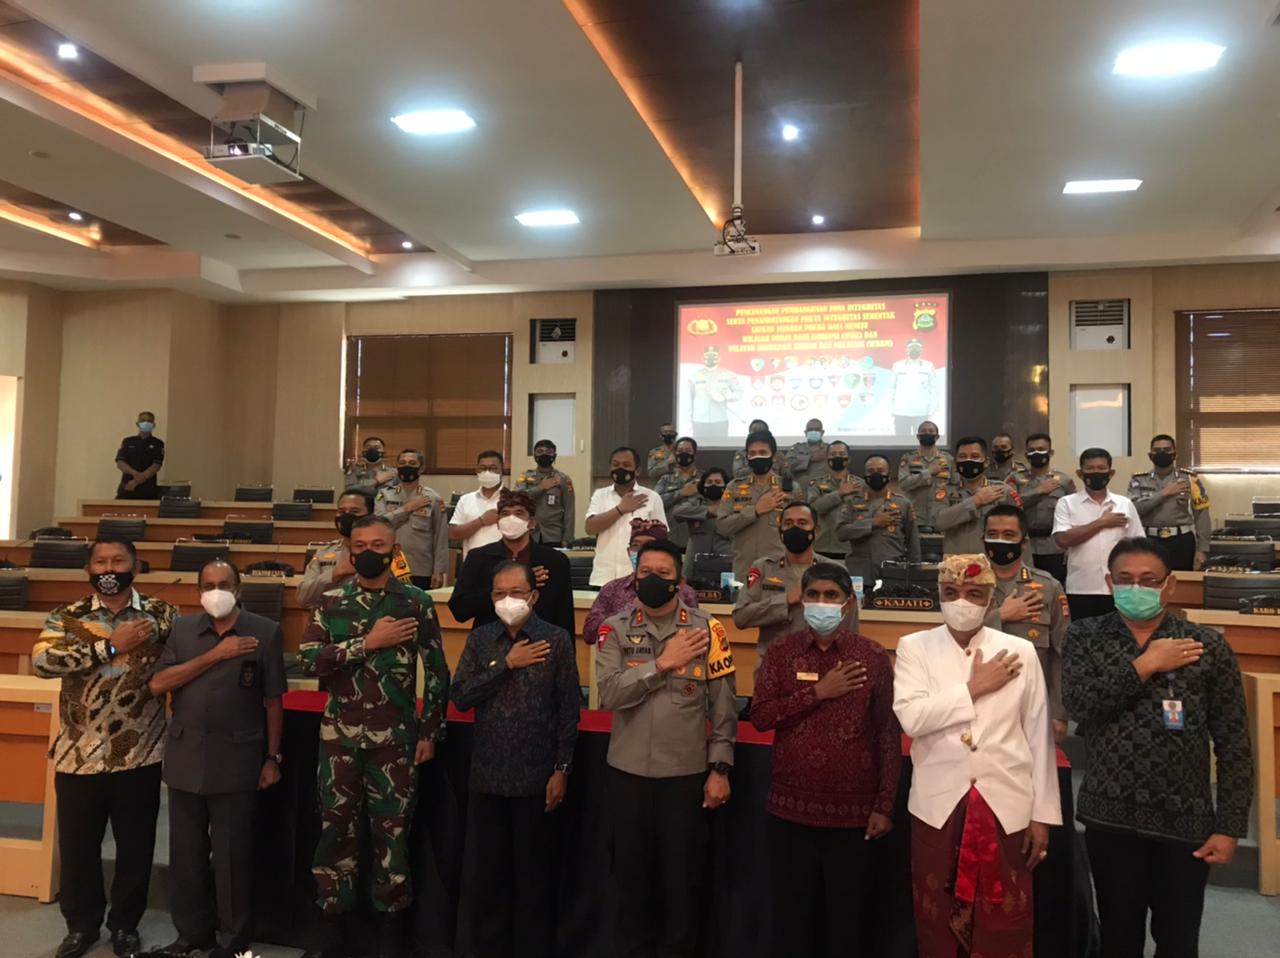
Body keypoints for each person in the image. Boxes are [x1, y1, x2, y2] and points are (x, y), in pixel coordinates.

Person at [1063, 538, 1253, 958]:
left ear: (1170, 585)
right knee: (1118, 937)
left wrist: (1229, 825)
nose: (1136, 588)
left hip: (1185, 821)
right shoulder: (1085, 636)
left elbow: (1234, 742)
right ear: (1109, 583)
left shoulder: (1205, 645)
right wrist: (1144, 665)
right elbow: (1080, 706)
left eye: (1149, 580)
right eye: (1125, 579)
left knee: (1179, 940)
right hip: (1110, 817)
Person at [893, 554, 1061, 958]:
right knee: (936, 915)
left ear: (990, 599)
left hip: (1006, 800)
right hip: (938, 803)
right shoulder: (915, 647)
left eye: (974, 593)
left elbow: (1037, 734)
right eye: (951, 592)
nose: (962, 602)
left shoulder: (1019, 651)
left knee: (1004, 919)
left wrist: (1042, 814)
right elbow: (912, 719)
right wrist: (974, 688)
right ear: (939, 595)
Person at [298, 515, 449, 958]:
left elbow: (436, 672)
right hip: (339, 741)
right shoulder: (331, 601)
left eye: (377, 545)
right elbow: (309, 660)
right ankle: (332, 937)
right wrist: (367, 643)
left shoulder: (415, 602)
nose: (367, 552)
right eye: (360, 545)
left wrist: (430, 731)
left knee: (393, 839)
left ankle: (390, 940)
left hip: (395, 743)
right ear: (350, 550)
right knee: (335, 836)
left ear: (394, 550)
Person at [31, 538, 178, 958]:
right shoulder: (68, 615)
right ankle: (81, 926)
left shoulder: (162, 614)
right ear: (88, 570)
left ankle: (125, 925)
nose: (109, 568)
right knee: (79, 848)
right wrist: (110, 645)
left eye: (118, 560)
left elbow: (181, 660)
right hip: (78, 754)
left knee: (136, 847)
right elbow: (42, 662)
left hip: (139, 753)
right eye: (100, 562)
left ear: (136, 566)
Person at [750, 562, 901, 958]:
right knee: (792, 921)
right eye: (813, 595)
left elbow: (887, 732)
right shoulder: (781, 652)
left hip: (853, 816)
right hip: (790, 813)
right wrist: (817, 692)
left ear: (848, 602)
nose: (822, 603)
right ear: (802, 600)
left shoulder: (872, 656)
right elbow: (761, 717)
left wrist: (885, 804)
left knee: (847, 924)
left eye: (831, 596)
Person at [596, 538, 737, 957]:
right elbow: (609, 694)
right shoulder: (615, 628)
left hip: (684, 777)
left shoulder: (708, 629)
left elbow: (724, 707)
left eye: (663, 573)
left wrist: (720, 769)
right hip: (628, 775)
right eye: (645, 573)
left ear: (679, 580)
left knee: (682, 885)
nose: (652, 580)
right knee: (630, 883)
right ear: (634, 577)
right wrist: (661, 664)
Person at [148, 559, 286, 958]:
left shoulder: (265, 631)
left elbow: (273, 701)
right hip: (186, 756)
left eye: (224, 584)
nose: (216, 591)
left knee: (231, 858)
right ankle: (190, 935)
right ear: (198, 592)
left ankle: (232, 941)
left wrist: (272, 757)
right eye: (208, 585)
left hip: (238, 758)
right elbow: (158, 683)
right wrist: (216, 654)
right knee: (186, 856)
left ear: (238, 589)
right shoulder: (182, 629)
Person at [450, 561, 579, 958]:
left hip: (536, 778)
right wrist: (504, 665)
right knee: (488, 880)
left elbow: (568, 710)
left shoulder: (555, 640)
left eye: (517, 593)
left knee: (534, 881)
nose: (508, 600)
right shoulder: (481, 639)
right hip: (487, 777)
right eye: (499, 593)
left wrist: (562, 769)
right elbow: (461, 696)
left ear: (533, 596)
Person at [733, 501, 858, 677]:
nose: (795, 529)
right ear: (780, 532)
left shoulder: (835, 571)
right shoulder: (763, 568)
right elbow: (741, 617)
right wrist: (785, 601)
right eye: (788, 523)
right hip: (773, 670)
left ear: (816, 530)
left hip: (823, 670)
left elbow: (850, 628)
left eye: (802, 523)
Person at [981, 505, 1069, 741]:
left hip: (1031, 704)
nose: (999, 541)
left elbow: (1061, 654)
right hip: (978, 699)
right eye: (992, 534)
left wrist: (1059, 712)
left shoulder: (1048, 587)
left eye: (1009, 535)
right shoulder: (966, 585)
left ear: (1024, 543)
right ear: (983, 539)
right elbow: (954, 639)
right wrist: (999, 616)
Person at [449, 489, 575, 636]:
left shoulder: (555, 561)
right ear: (498, 523)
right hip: (490, 642)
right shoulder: (478, 558)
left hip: (541, 643)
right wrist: (499, 591)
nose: (511, 518)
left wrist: (564, 649)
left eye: (519, 513)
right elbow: (459, 610)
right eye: (505, 514)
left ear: (532, 522)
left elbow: (565, 617)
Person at [1052, 448, 1143, 621]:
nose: (1096, 472)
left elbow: (1138, 546)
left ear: (1111, 473)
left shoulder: (1124, 504)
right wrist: (1101, 523)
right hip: (1080, 588)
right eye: (1090, 468)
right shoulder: (1066, 503)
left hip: (1119, 588)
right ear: (1080, 473)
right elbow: (1062, 539)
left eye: (1101, 468)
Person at [580, 519, 699, 645]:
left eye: (649, 545)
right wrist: (628, 614)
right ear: (628, 551)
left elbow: (695, 635)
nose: (641, 550)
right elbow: (589, 635)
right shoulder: (612, 589)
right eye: (636, 545)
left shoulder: (684, 592)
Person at [583, 445, 667, 587]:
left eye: (626, 465)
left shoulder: (652, 497)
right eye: (616, 465)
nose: (620, 468)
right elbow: (590, 528)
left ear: (637, 470)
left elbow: (661, 537)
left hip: (639, 577)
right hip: (603, 577)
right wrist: (621, 509)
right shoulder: (600, 495)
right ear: (610, 467)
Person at [1128, 434, 1211, 571]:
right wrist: (1164, 493)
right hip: (1149, 540)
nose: (1162, 453)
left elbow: (1201, 514)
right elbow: (1135, 510)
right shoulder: (1138, 480)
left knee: (1181, 581)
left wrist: (1202, 549)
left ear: (1175, 454)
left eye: (1167, 450)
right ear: (1150, 455)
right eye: (1157, 450)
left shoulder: (1190, 479)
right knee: (1150, 580)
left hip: (1181, 541)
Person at [837, 453, 920, 591]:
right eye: (871, 471)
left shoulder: (903, 504)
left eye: (880, 471)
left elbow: (913, 544)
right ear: (865, 475)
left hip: (892, 572)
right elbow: (841, 533)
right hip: (859, 574)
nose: (876, 474)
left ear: (889, 474)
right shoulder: (852, 502)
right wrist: (873, 523)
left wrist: (915, 575)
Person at [717, 429, 790, 582]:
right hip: (744, 570)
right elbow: (723, 527)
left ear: (774, 456)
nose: (758, 457)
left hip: (779, 570)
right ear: (747, 457)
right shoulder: (734, 487)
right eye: (753, 453)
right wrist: (755, 510)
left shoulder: (789, 488)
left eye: (763, 452)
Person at [374, 449, 448, 590]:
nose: (406, 466)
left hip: (421, 568)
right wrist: (407, 509)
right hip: (388, 567)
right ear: (397, 467)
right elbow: (378, 526)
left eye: (412, 463)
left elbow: (440, 538)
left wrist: (439, 571)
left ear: (421, 468)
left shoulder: (433, 499)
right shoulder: (384, 495)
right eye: (402, 463)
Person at [1009, 432, 1075, 585]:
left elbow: (1074, 513)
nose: (1036, 453)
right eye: (1031, 450)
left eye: (1041, 449)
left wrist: (1070, 547)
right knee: (1025, 587)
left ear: (1050, 453)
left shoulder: (1063, 481)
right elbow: (1008, 507)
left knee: (1055, 587)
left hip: (1054, 546)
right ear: (1026, 454)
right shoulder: (1015, 479)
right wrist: (1037, 491)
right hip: (1024, 545)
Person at [935, 435, 1018, 555]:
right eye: (963, 456)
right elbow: (939, 522)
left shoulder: (1002, 491)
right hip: (955, 562)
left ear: (986, 462)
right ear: (955, 463)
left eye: (975, 456)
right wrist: (976, 500)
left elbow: (1019, 531)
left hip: (991, 561)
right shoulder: (945, 490)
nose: (968, 460)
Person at [299, 488, 373, 609]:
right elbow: (303, 598)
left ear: (370, 515)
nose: (347, 516)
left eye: (354, 511)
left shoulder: (383, 552)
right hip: (330, 617)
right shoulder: (324, 553)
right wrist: (335, 573)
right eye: (341, 511)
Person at [669, 467, 734, 582]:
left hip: (725, 556)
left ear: (725, 487)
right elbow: (677, 512)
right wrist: (708, 511)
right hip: (695, 556)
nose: (713, 485)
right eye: (709, 482)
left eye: (718, 482)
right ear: (703, 486)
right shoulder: (695, 502)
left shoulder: (733, 505)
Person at [513, 439, 576, 546]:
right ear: (534, 455)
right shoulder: (525, 476)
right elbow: (516, 499)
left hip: (554, 535)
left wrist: (567, 538)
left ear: (554, 456)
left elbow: (569, 510)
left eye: (549, 451)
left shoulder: (564, 479)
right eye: (540, 451)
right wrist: (540, 487)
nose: (544, 454)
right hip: (528, 533)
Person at [806, 441, 861, 561]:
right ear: (827, 459)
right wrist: (839, 493)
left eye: (841, 454)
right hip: (823, 547)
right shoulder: (816, 483)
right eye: (833, 454)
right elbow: (813, 509)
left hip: (851, 548)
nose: (837, 457)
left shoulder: (860, 485)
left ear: (849, 459)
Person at [449, 450, 507, 560]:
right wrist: (481, 521)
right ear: (477, 470)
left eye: (493, 468)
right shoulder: (466, 500)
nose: (487, 472)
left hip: (504, 565)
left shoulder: (512, 499)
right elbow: (453, 534)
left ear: (502, 470)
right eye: (483, 468)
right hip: (472, 564)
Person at [896, 420, 953, 527]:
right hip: (916, 517)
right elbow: (903, 484)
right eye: (924, 431)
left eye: (931, 431)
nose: (927, 433)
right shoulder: (908, 458)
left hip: (941, 516)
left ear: (937, 437)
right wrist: (928, 472)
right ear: (918, 436)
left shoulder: (948, 459)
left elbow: (955, 486)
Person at [654, 436, 702, 552]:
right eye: (680, 451)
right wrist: (681, 493)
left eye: (688, 451)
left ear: (695, 455)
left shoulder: (705, 480)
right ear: (674, 455)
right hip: (669, 538)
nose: (683, 454)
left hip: (697, 538)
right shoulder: (665, 479)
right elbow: (655, 502)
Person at [687, 345, 742, 442]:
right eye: (708, 355)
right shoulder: (694, 376)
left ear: (719, 357)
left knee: (721, 447)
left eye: (713, 355)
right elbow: (689, 399)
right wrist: (689, 420)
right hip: (699, 421)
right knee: (700, 448)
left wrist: (727, 397)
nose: (710, 358)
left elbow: (739, 393)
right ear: (703, 357)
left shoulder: (727, 374)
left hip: (720, 420)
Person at [115, 411, 165, 500]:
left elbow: (156, 465)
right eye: (143, 420)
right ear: (137, 424)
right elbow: (120, 463)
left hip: (148, 489)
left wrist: (136, 481)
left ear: (153, 425)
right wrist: (135, 474)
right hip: (127, 486)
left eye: (149, 421)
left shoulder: (158, 443)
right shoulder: (128, 441)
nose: (146, 423)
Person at [890, 338, 935, 437]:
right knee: (901, 441)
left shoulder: (928, 366)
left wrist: (932, 409)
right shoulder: (897, 366)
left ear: (921, 350)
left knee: (920, 441)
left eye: (917, 347)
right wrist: (891, 409)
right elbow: (891, 388)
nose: (914, 349)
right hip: (901, 412)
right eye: (911, 347)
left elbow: (933, 389)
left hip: (921, 412)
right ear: (906, 349)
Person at [785, 418, 830, 488]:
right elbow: (788, 464)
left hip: (823, 489)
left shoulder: (829, 449)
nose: (813, 432)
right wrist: (811, 458)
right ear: (805, 432)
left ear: (822, 432)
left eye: (817, 429)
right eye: (810, 429)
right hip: (800, 489)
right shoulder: (797, 448)